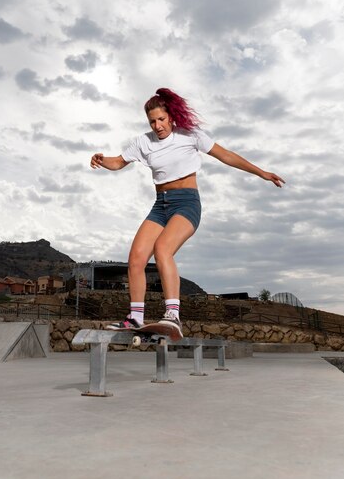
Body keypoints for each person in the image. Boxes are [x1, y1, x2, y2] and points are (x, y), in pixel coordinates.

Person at [90, 87, 284, 334]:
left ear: (170, 116)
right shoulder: (143, 142)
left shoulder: (190, 135)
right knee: (136, 258)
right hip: (160, 205)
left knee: (162, 249)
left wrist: (261, 172)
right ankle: (136, 317)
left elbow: (225, 155)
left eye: (161, 119)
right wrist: (102, 159)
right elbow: (118, 162)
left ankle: (173, 315)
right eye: (152, 121)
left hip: (187, 203)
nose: (157, 126)